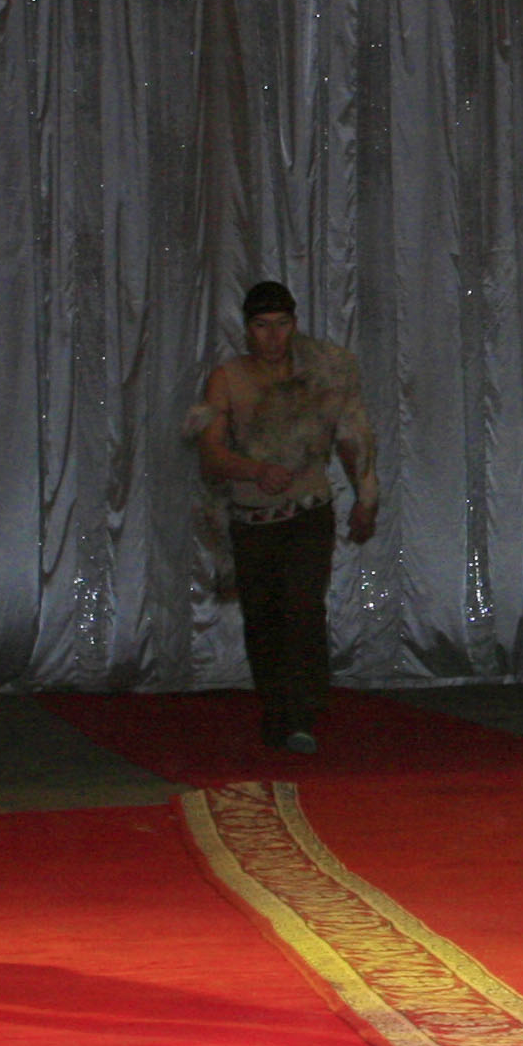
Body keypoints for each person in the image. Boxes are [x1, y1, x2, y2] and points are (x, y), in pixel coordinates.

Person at [191, 280, 378, 756]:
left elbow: (352, 435)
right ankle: (278, 709)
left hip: (307, 513)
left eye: (282, 324)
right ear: (247, 329)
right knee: (263, 619)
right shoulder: (228, 378)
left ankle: (300, 713)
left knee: (302, 610)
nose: (273, 337)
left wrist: (366, 497)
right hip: (251, 520)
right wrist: (255, 469)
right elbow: (210, 453)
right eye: (262, 326)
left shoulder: (323, 373)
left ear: (294, 325)